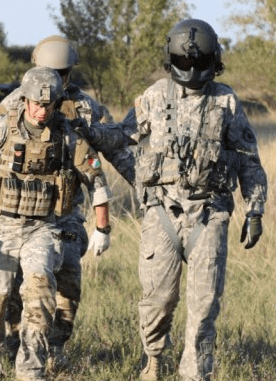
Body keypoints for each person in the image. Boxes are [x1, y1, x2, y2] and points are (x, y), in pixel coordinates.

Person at [125, 19, 267, 381]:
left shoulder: (225, 100)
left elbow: (248, 158)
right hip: (163, 211)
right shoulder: (155, 95)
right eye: (183, 62)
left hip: (210, 212)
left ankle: (195, 374)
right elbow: (119, 137)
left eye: (197, 63)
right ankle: (154, 357)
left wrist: (255, 209)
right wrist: (83, 131)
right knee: (158, 300)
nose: (190, 70)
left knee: (204, 307)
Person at [0, 66, 112, 381]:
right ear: (25, 100)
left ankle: (31, 369)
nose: (42, 111)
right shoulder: (2, 128)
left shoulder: (67, 134)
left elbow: (96, 182)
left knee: (40, 298)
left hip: (43, 229)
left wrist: (102, 228)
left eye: (49, 105)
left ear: (56, 103)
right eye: (36, 104)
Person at [0, 34, 135, 372]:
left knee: (68, 281)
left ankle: (55, 346)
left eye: (62, 73)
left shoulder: (86, 106)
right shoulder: (15, 102)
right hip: (20, 211)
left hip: (66, 212)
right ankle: (17, 344)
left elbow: (113, 151)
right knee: (17, 284)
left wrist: (146, 187)